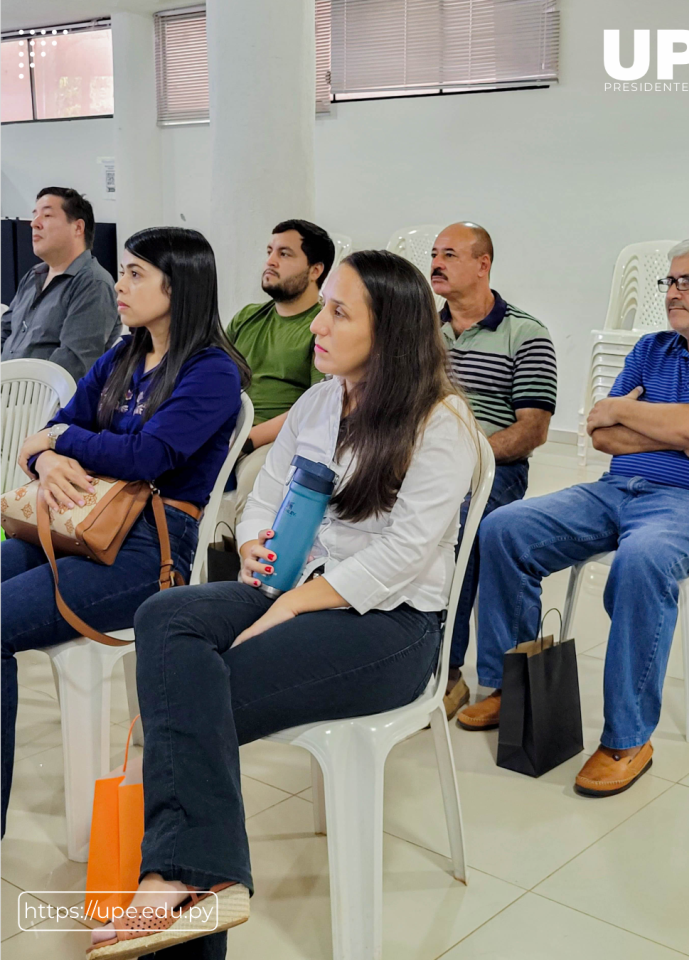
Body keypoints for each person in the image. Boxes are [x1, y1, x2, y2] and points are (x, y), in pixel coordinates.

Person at [87, 250, 479, 958]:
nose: (317, 328)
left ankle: (178, 883)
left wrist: (292, 606)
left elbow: (403, 559)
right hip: (294, 587)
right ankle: (200, 881)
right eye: (323, 306)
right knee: (162, 619)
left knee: (200, 700)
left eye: (338, 312)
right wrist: (258, 551)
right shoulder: (320, 401)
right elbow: (265, 501)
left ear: (387, 332)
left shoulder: (441, 423)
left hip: (389, 625)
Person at [468, 236, 689, 797]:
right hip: (617, 491)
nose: (672, 292)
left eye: (688, 282)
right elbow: (601, 433)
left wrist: (638, 413)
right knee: (503, 528)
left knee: (645, 558)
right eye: (669, 281)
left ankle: (627, 738)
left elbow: (670, 424)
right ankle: (511, 687)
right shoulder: (652, 348)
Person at [1, 227, 249, 836]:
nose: (120, 283)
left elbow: (149, 457)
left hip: (146, 551)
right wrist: (51, 455)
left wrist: (62, 443)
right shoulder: (124, 354)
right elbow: (46, 435)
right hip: (69, 526)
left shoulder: (213, 372)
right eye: (124, 270)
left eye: (136, 273)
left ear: (179, 284)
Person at [430, 222, 557, 720]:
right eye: (434, 254)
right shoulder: (423, 330)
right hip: (424, 461)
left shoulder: (526, 334)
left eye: (450, 254)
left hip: (493, 468)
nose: (436, 263)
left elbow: (533, 430)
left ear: (483, 265)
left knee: (458, 526)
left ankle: (453, 673)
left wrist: (470, 459)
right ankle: (406, 658)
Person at [227, 219, 335, 518]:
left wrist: (246, 440)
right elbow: (211, 380)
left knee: (253, 480)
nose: (270, 261)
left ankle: (247, 564)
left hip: (277, 440)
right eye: (270, 251)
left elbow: (319, 405)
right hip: (228, 432)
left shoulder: (321, 328)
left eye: (285, 254)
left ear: (316, 270)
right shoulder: (246, 317)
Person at [1, 187, 121, 380]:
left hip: (37, 403)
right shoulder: (34, 275)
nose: (34, 223)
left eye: (47, 215)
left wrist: (11, 391)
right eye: (34, 215)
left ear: (78, 228)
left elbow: (71, 365)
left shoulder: (92, 283)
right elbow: (4, 332)